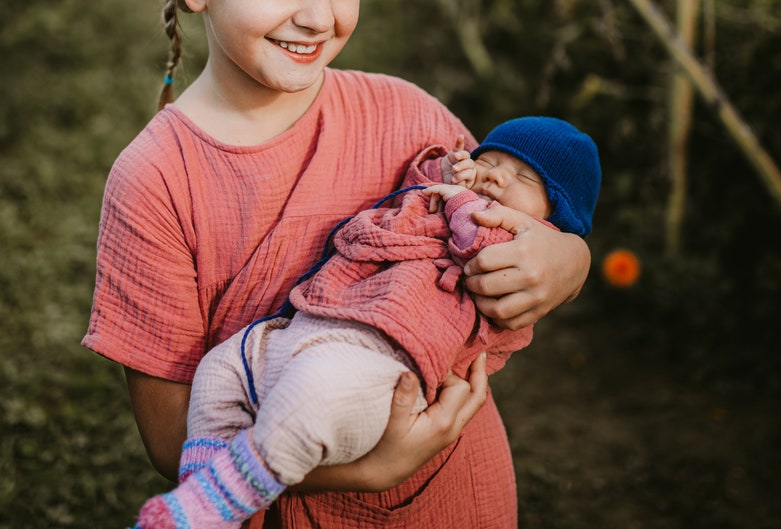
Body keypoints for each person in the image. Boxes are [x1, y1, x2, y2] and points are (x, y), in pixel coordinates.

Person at [82, 0, 593, 527]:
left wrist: (572, 262)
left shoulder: (408, 115)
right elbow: (173, 440)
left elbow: (518, 207)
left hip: (460, 494)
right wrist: (370, 470)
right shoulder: (155, 181)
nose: (319, 19)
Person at [131, 116, 602, 529]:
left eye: (522, 177)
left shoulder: (518, 249)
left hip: (383, 363)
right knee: (220, 370)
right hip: (306, 325)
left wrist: (567, 254)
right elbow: (414, 188)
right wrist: (446, 173)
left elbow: (478, 245)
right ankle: (204, 482)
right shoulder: (445, 196)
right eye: (492, 160)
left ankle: (213, 503)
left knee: (307, 402)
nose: (497, 176)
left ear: (552, 219)